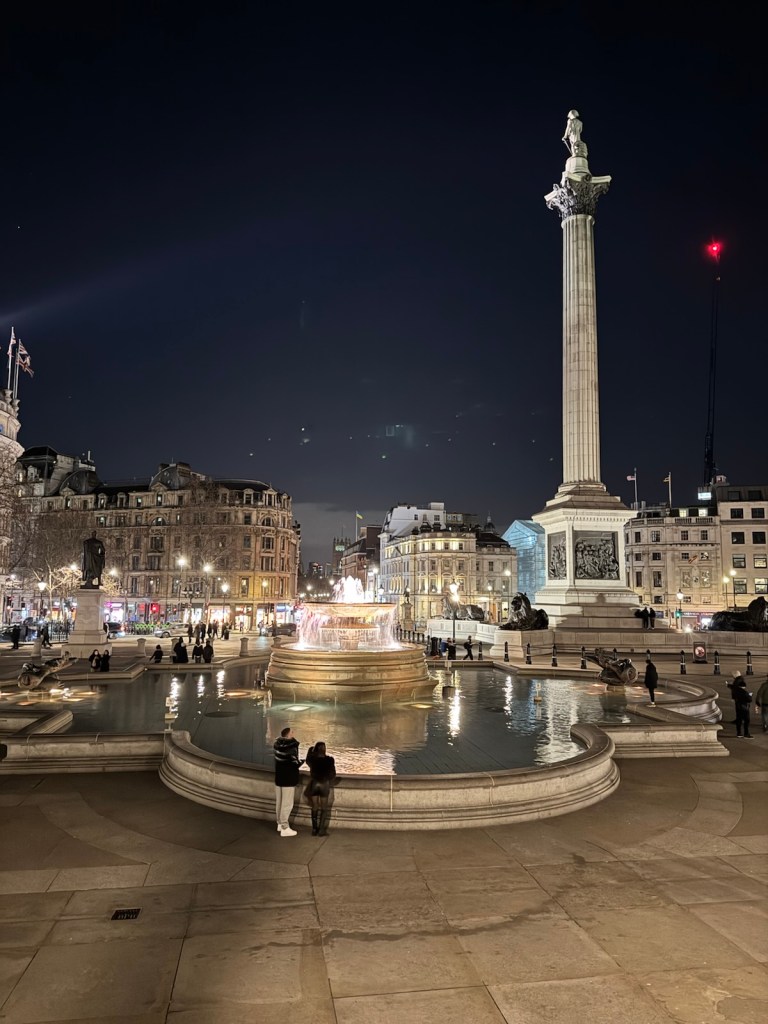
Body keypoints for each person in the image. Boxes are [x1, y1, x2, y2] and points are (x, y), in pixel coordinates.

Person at [274, 726, 304, 836]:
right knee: (287, 804)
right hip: (288, 778)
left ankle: (279, 823)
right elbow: (294, 763)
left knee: (279, 802)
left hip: (279, 777)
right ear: (288, 735)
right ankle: (285, 827)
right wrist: (302, 762)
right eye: (292, 732)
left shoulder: (277, 745)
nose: (293, 733)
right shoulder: (291, 747)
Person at [304, 741, 337, 836]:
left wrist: (311, 750)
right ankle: (321, 830)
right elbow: (333, 774)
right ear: (324, 749)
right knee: (324, 808)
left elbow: (307, 759)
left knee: (315, 806)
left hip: (314, 784)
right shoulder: (330, 760)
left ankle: (314, 829)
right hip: (324, 784)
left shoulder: (312, 760)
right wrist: (327, 778)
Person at [727, 671, 753, 738]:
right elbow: (749, 700)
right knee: (746, 721)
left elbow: (734, 689)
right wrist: (750, 696)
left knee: (739, 720)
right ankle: (746, 733)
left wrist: (729, 685)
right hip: (744, 708)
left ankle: (739, 733)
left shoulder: (737, 691)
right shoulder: (745, 693)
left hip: (738, 706)